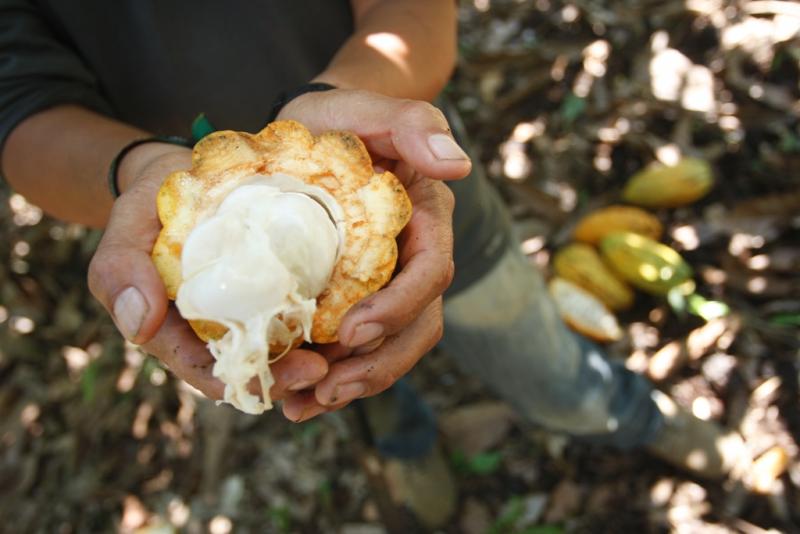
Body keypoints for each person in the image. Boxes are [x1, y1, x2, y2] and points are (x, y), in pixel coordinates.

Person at [0, 0, 744, 527]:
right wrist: (137, 168)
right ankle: (407, 443)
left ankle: (624, 415)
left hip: (414, 193)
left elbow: (413, 11)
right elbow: (22, 108)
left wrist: (346, 99)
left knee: (540, 360)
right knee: (342, 378)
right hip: (228, 251)